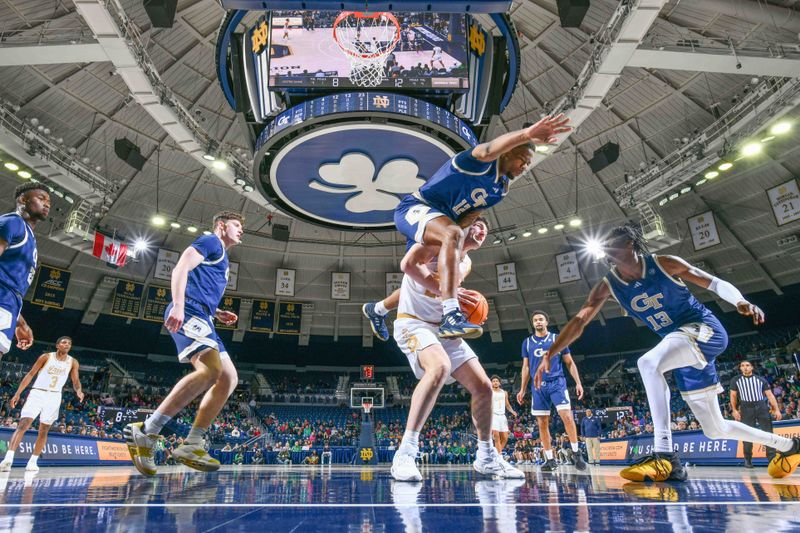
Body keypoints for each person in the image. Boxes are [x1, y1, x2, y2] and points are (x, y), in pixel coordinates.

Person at [533, 224, 800, 482]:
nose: (605, 250)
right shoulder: (608, 285)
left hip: (704, 330)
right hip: (679, 347)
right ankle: (788, 446)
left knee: (647, 362)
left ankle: (664, 454)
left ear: (629, 243)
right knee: (715, 428)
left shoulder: (664, 263)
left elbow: (713, 282)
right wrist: (551, 352)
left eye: (611, 244)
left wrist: (740, 301)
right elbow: (580, 320)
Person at [366, 115, 571, 341]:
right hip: (416, 208)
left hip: (441, 223)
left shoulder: (500, 190)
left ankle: (377, 309)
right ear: (507, 152)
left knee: (428, 277)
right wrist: (527, 134)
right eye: (522, 159)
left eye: (527, 163)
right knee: (444, 245)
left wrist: (457, 243)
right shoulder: (475, 163)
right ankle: (451, 314)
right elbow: (488, 150)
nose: (525, 166)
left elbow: (468, 218)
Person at [389, 218, 523, 481]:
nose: (482, 228)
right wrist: (446, 291)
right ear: (461, 227)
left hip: (442, 329)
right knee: (440, 367)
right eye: (476, 223)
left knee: (484, 387)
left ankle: (486, 456)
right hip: (413, 323)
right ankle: (405, 453)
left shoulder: (467, 263)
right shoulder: (434, 243)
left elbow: (448, 291)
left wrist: (463, 301)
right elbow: (407, 265)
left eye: (486, 226)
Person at [124, 211, 244, 476]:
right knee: (211, 370)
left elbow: (199, 283)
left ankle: (192, 443)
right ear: (221, 226)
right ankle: (148, 430)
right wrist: (178, 305)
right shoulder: (211, 241)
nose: (241, 230)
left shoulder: (222, 259)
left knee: (229, 378)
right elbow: (180, 268)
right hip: (188, 310)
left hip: (203, 315)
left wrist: (216, 312)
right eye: (237, 225)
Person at [517, 310, 586, 472]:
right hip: (538, 385)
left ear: (546, 322)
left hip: (557, 383)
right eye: (535, 320)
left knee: (567, 417)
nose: (538, 322)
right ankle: (549, 459)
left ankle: (576, 452)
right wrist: (522, 389)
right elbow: (525, 367)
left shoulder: (557, 339)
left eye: (541, 319)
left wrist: (578, 382)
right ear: (533, 324)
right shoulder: (527, 342)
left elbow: (569, 362)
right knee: (542, 422)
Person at [0, 337, 83, 472]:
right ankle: (8, 458)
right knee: (23, 424)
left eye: (69, 343)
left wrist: (79, 390)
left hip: (55, 396)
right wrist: (18, 393)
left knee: (44, 430)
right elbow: (31, 374)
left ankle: (33, 461)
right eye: (64, 342)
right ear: (57, 345)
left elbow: (76, 380)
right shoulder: (46, 357)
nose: (67, 344)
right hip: (38, 392)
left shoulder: (73, 362)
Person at [0, 183, 47, 360]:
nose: (47, 204)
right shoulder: (13, 222)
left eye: (48, 201)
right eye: (41, 198)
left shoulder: (29, 236)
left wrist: (21, 323)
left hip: (9, 305)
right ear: (23, 200)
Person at [730, 360, 783, 468]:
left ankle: (772, 459)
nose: (745, 367)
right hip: (746, 408)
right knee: (747, 434)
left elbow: (770, 395)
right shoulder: (735, 380)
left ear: (752, 367)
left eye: (747, 365)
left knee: (768, 433)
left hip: (761, 406)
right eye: (743, 366)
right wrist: (734, 410)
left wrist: (776, 409)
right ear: (740, 368)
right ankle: (748, 459)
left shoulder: (760, 379)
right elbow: (733, 396)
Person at [490, 375, 517, 455]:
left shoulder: (504, 393)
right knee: (496, 437)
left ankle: (496, 454)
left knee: (505, 438)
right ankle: (499, 457)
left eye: (496, 381)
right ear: (491, 383)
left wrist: (513, 411)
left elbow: (507, 405)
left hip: (502, 416)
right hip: (493, 416)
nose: (495, 382)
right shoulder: (489, 392)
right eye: (493, 381)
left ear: (499, 383)